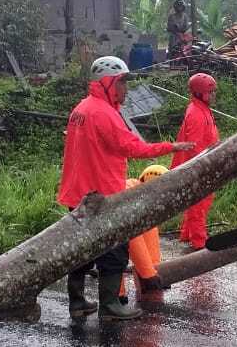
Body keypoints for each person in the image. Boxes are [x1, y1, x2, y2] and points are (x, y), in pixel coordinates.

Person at [58, 56, 193, 321]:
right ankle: (109, 305)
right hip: (102, 195)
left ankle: (77, 302)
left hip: (79, 193)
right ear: (107, 83)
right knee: (115, 250)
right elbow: (131, 147)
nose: (125, 89)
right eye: (121, 83)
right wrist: (170, 147)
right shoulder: (103, 113)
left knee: (80, 250)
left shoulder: (82, 108)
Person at [170, 73, 219, 249]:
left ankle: (187, 234)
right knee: (200, 203)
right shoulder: (196, 114)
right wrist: (204, 169)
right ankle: (199, 241)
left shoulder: (201, 108)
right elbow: (194, 147)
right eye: (211, 92)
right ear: (201, 93)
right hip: (197, 167)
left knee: (197, 202)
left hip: (202, 164)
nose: (214, 95)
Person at [117, 165, 168, 304]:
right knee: (115, 259)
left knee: (149, 231)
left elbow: (151, 240)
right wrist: (149, 274)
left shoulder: (144, 196)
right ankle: (117, 296)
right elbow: (134, 240)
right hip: (110, 223)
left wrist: (156, 272)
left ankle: (141, 282)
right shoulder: (131, 195)